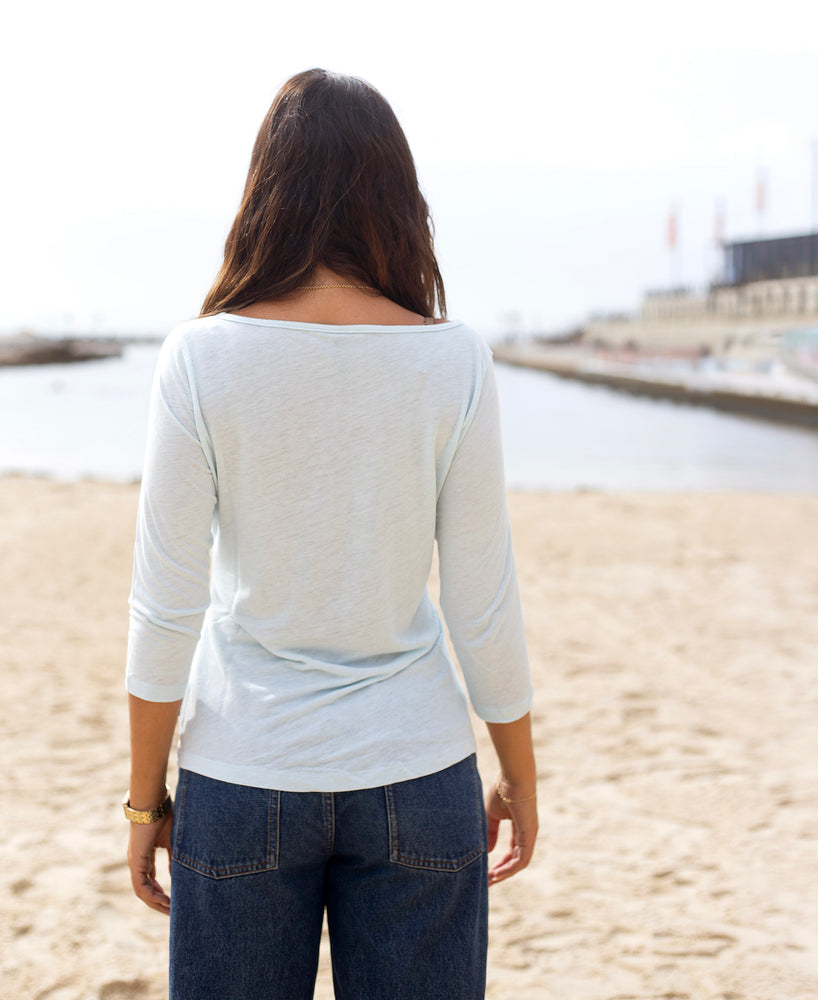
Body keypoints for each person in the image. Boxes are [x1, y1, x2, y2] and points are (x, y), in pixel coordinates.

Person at [123, 68, 538, 1000]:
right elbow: (483, 596)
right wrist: (518, 771)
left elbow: (165, 606)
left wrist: (144, 799)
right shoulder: (453, 361)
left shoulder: (200, 358)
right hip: (418, 769)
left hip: (242, 771)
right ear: (398, 198)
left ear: (265, 191)